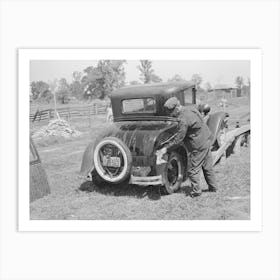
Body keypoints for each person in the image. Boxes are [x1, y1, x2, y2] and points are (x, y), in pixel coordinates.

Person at [159, 97, 217, 197]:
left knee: (192, 170)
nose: (171, 115)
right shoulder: (191, 108)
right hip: (206, 139)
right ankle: (213, 188)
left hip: (198, 145)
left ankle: (196, 192)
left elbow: (178, 139)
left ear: (177, 108)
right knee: (207, 167)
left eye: (171, 112)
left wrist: (165, 148)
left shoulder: (183, 119)